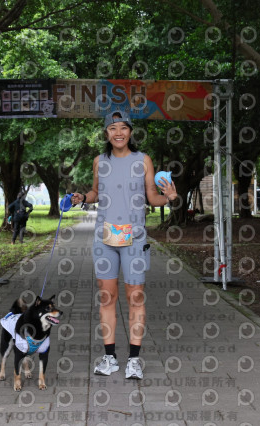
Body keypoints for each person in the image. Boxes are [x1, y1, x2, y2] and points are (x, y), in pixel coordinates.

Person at [71, 111, 177, 380]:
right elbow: (96, 193)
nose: (118, 133)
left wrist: (169, 198)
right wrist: (83, 197)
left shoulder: (143, 160)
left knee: (135, 297)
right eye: (112, 128)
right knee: (107, 298)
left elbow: (152, 197)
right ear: (106, 133)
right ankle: (109, 358)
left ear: (130, 131)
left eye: (123, 128)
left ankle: (133, 360)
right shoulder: (99, 161)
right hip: (105, 237)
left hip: (134, 237)